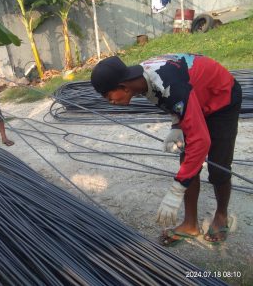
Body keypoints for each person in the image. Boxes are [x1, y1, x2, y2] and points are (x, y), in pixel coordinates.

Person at [90, 54, 242, 246]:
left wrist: (176, 190)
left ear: (123, 86)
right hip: (195, 95)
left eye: (107, 95)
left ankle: (221, 215)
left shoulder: (166, 83)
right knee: (187, 162)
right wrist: (176, 125)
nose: (108, 101)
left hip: (221, 97)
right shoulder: (141, 81)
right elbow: (169, 102)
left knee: (219, 166)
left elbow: (201, 141)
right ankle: (190, 224)